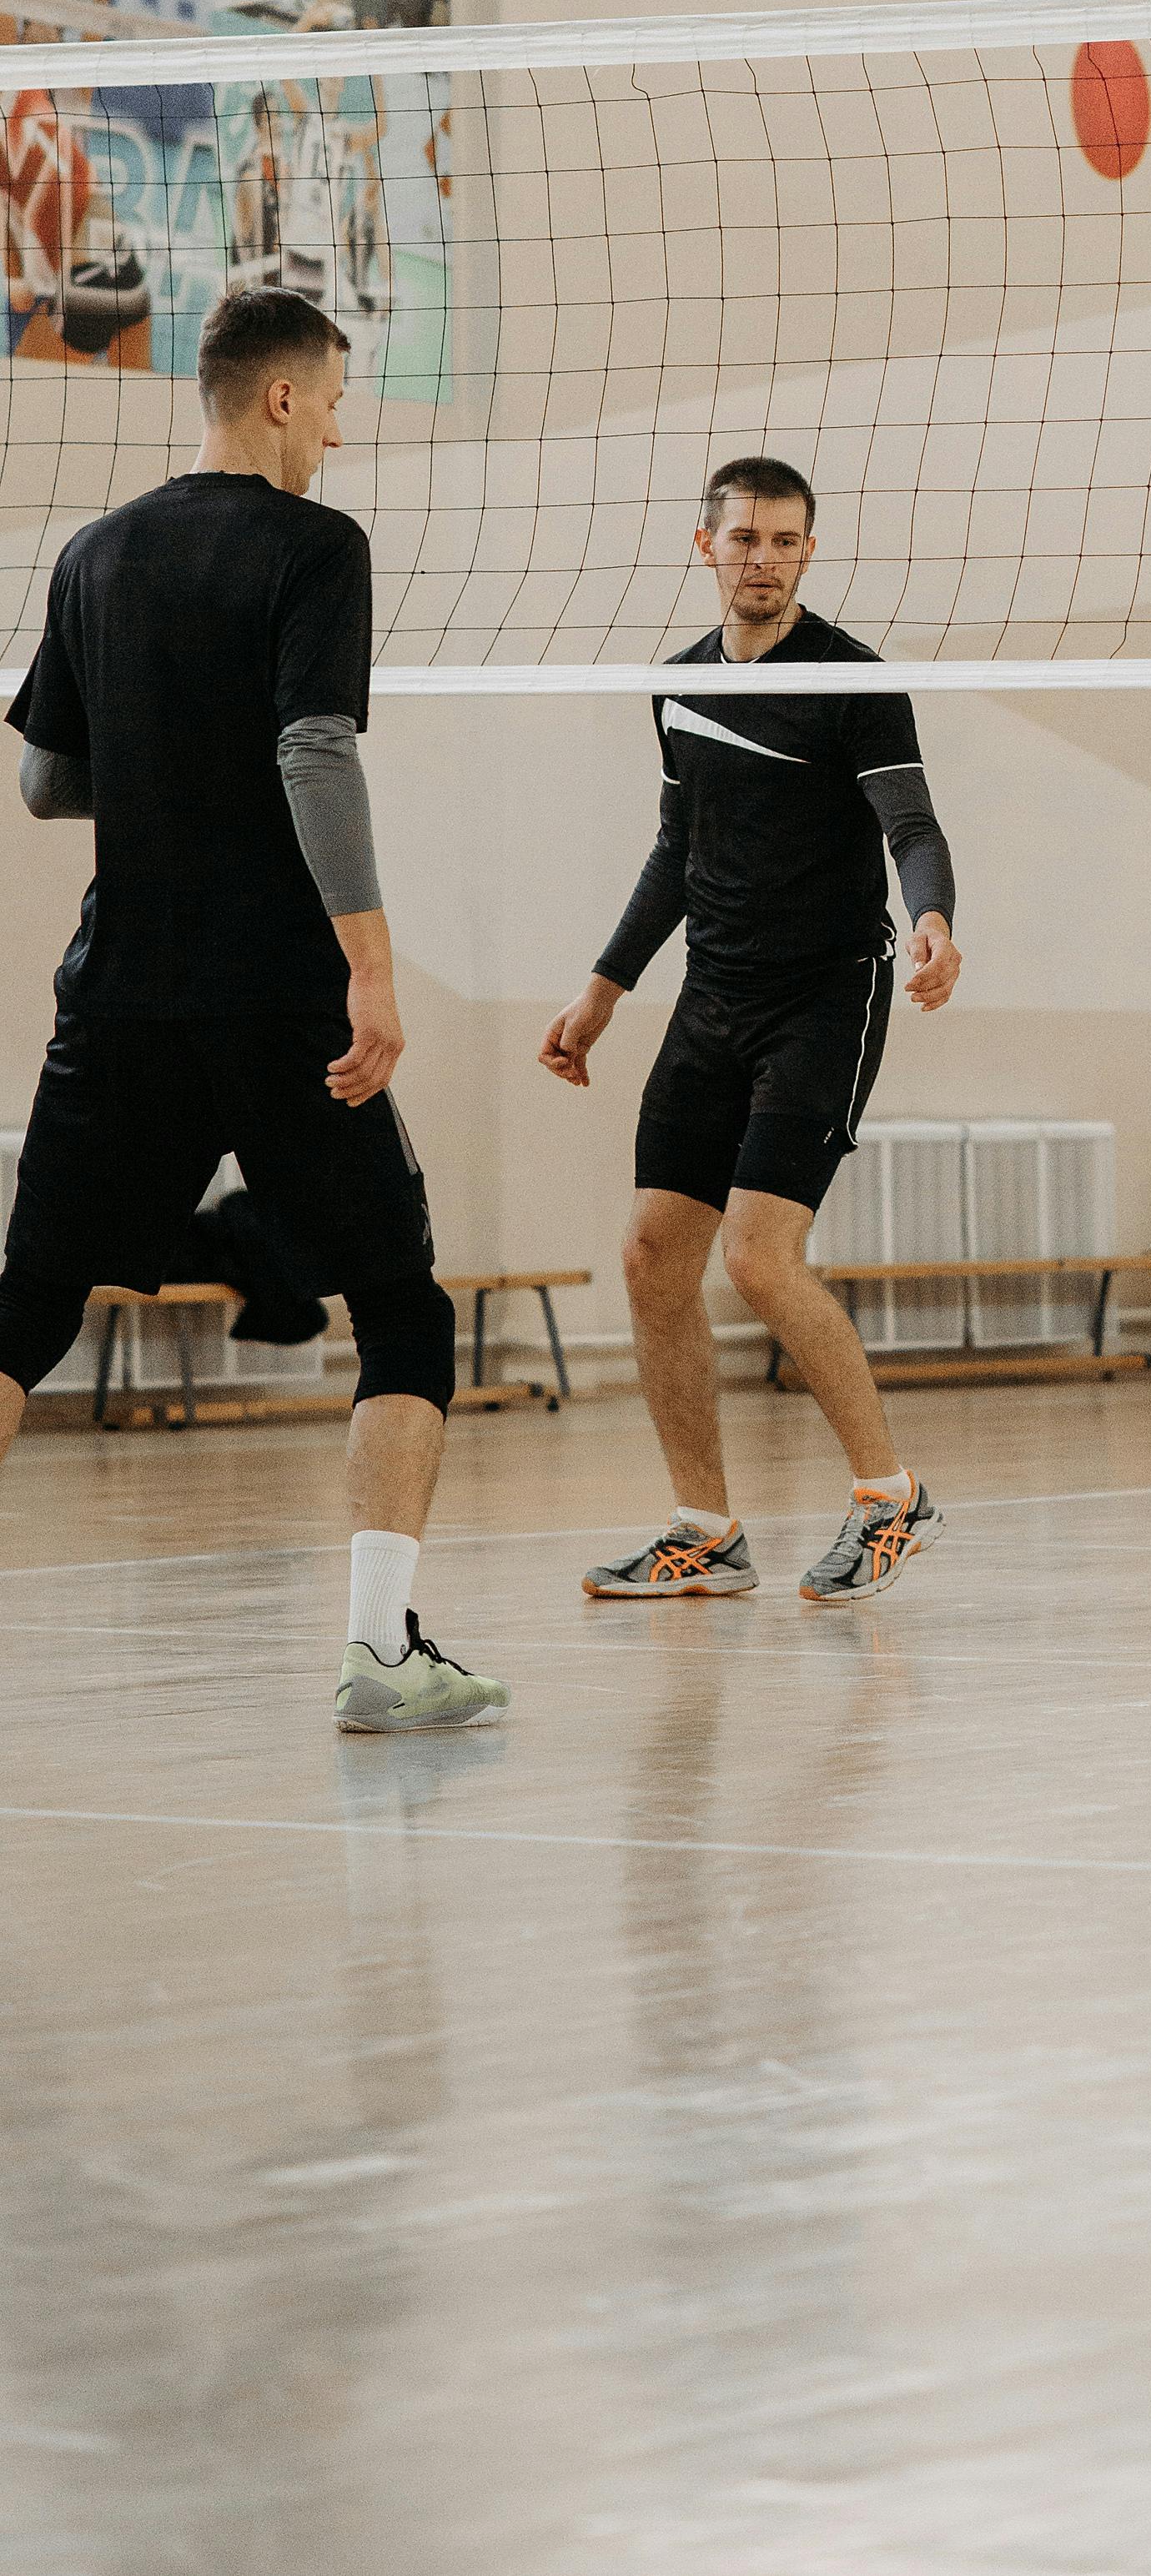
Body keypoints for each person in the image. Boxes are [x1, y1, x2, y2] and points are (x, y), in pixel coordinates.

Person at [0, 286, 505, 1733]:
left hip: (118, 991)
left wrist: (163, 770)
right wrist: (375, 963)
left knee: (25, 1311)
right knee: (401, 1311)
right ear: (280, 396)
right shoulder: (313, 545)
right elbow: (313, 745)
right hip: (278, 994)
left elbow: (43, 781)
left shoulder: (94, 552)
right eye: (337, 398)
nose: (343, 429)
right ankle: (379, 1656)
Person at [539, 456, 962, 1609]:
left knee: (760, 1254)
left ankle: (889, 1495)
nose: (763, 557)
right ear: (706, 545)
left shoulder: (853, 678)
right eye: (745, 538)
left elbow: (910, 821)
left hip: (826, 993)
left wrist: (932, 917)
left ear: (808, 552)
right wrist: (604, 986)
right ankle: (705, 1528)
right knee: (649, 1256)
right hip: (709, 994)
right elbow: (678, 843)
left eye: (784, 539)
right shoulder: (679, 683)